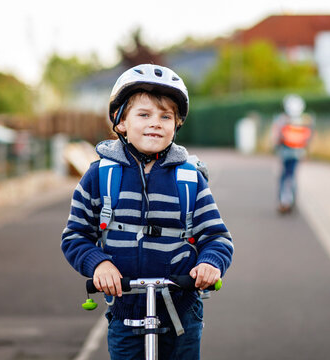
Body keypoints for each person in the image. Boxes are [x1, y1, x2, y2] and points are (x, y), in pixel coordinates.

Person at [61, 64, 234, 360]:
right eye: (144, 115)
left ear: (176, 124)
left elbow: (217, 237)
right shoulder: (101, 175)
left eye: (165, 116)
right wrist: (98, 264)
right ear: (121, 123)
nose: (156, 123)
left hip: (181, 310)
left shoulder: (189, 178)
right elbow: (76, 235)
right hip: (126, 311)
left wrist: (210, 263)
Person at [272, 94, 313, 214]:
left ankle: (285, 201)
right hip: (298, 152)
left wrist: (276, 147)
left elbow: (277, 137)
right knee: (292, 175)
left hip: (285, 153)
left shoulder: (282, 119)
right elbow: (308, 138)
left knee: (285, 176)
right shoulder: (304, 120)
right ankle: (292, 200)